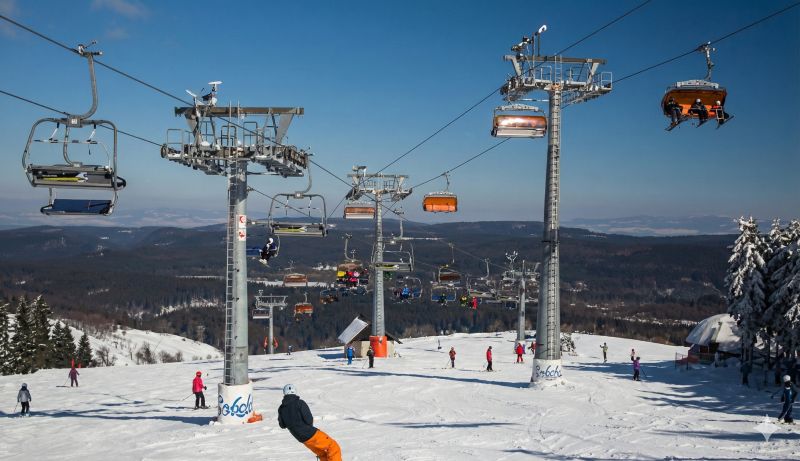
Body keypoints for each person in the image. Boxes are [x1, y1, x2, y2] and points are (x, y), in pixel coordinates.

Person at [278, 384, 342, 461]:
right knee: (333, 447)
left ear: (284, 393)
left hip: (301, 438)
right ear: (295, 392)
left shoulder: (281, 408)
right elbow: (308, 420)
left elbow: (282, 425)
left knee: (323, 454)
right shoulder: (299, 403)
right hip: (310, 433)